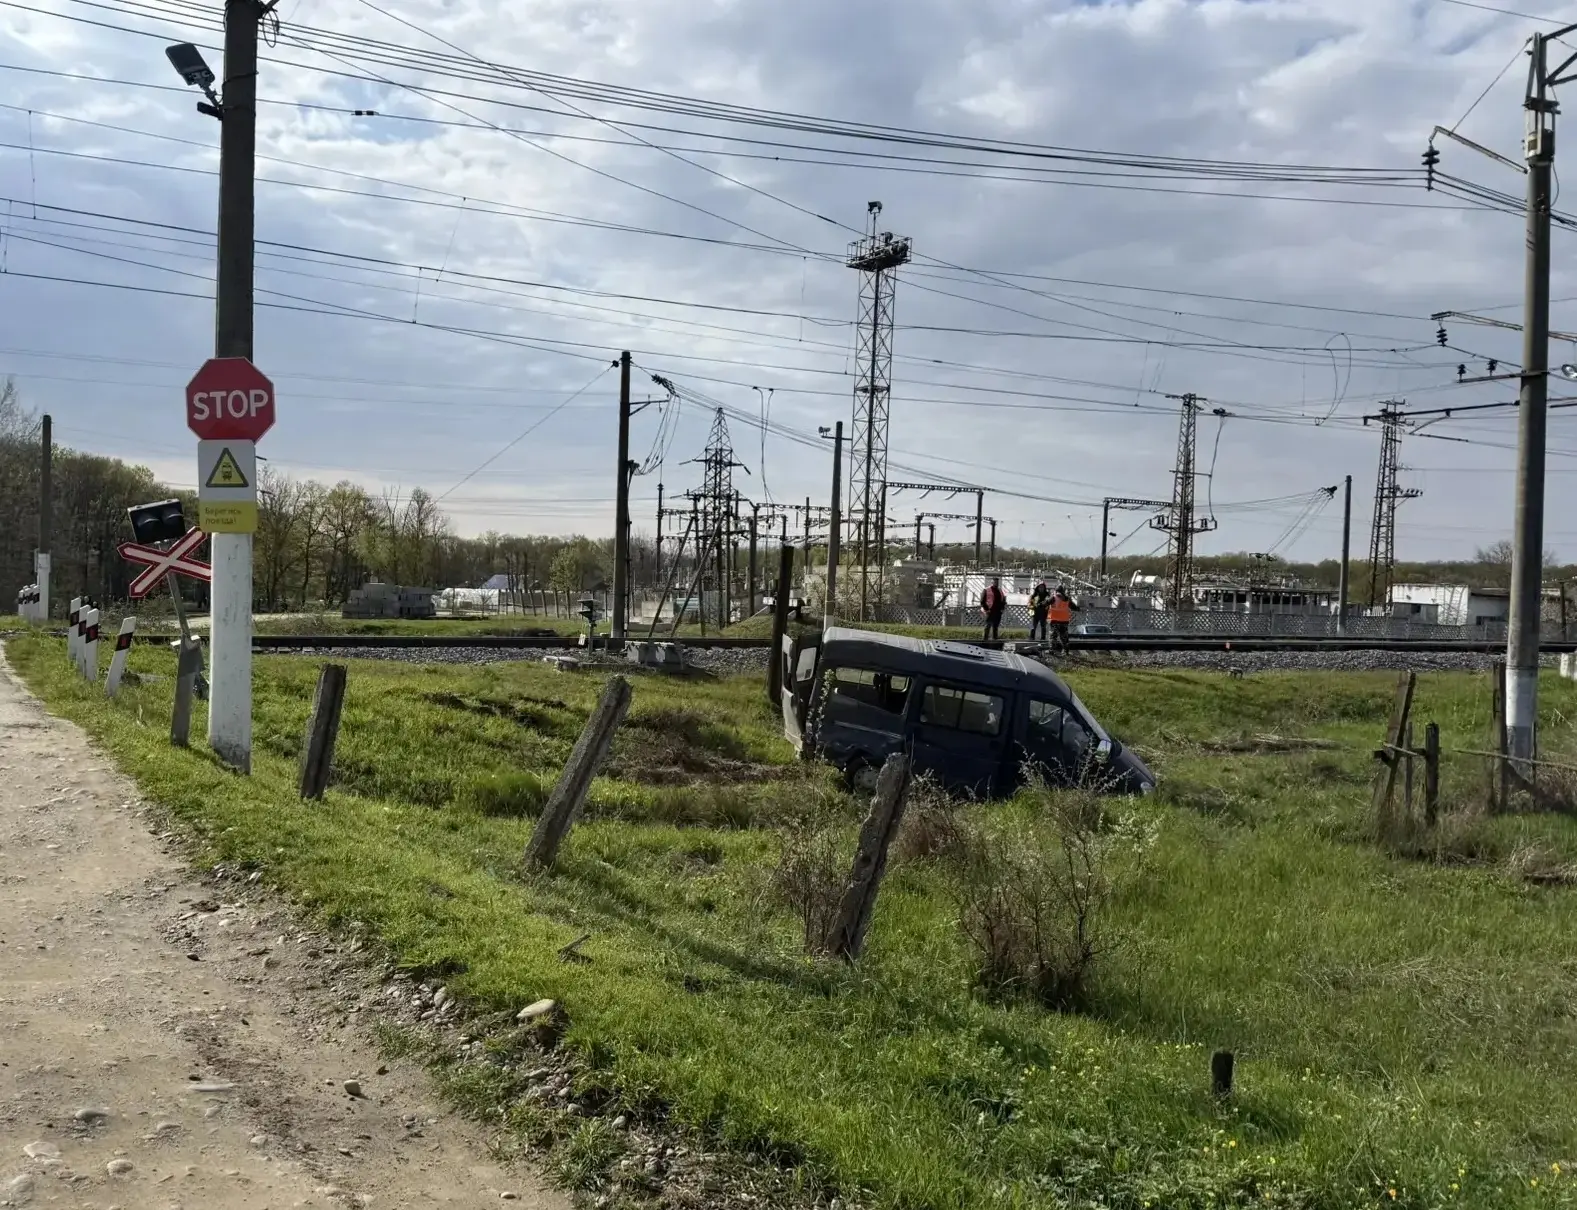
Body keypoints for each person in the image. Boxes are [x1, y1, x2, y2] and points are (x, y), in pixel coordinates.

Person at [1048, 585, 1077, 653]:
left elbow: (1046, 603)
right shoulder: (1067, 599)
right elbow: (1074, 607)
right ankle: (1066, 651)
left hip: (1054, 620)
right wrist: (1079, 608)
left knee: (1053, 636)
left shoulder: (1053, 598)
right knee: (1064, 637)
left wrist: (1039, 605)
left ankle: (1051, 650)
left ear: (1056, 591)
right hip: (1064, 621)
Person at [980, 577, 1006, 641]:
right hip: (989, 610)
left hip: (997, 611)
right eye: (995, 582)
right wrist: (986, 609)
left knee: (996, 626)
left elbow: (1003, 600)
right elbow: (982, 601)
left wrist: (1002, 608)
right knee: (988, 625)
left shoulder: (1000, 590)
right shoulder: (986, 590)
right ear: (992, 582)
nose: (996, 583)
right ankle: (985, 639)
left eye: (997, 582)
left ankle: (995, 639)